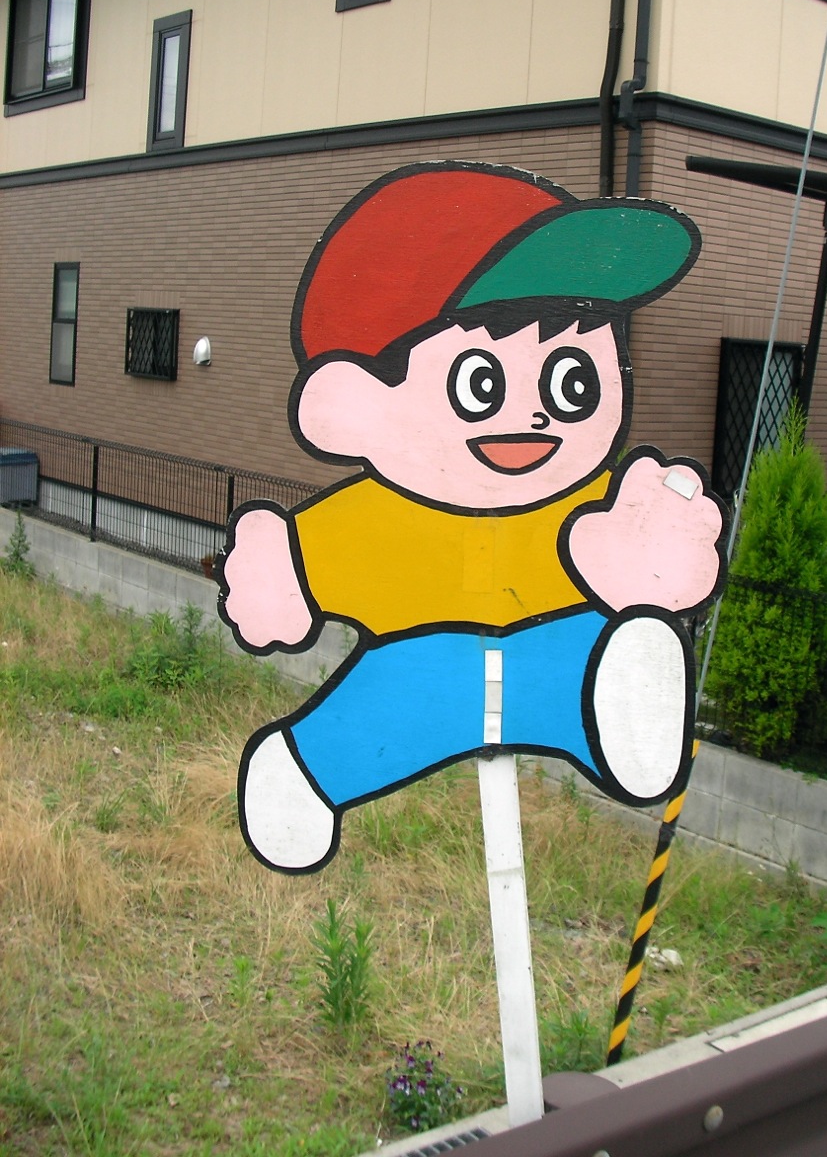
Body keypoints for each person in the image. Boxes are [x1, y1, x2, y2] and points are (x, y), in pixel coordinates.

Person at [217, 161, 725, 874]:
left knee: (591, 660)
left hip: (562, 669)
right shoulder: (369, 520)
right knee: (382, 709)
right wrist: (276, 577)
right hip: (417, 671)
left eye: (572, 381)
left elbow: (656, 552)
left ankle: (619, 726)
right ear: (355, 401)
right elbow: (296, 572)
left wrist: (657, 558)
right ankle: (306, 769)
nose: (535, 417)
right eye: (481, 384)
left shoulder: (599, 501)